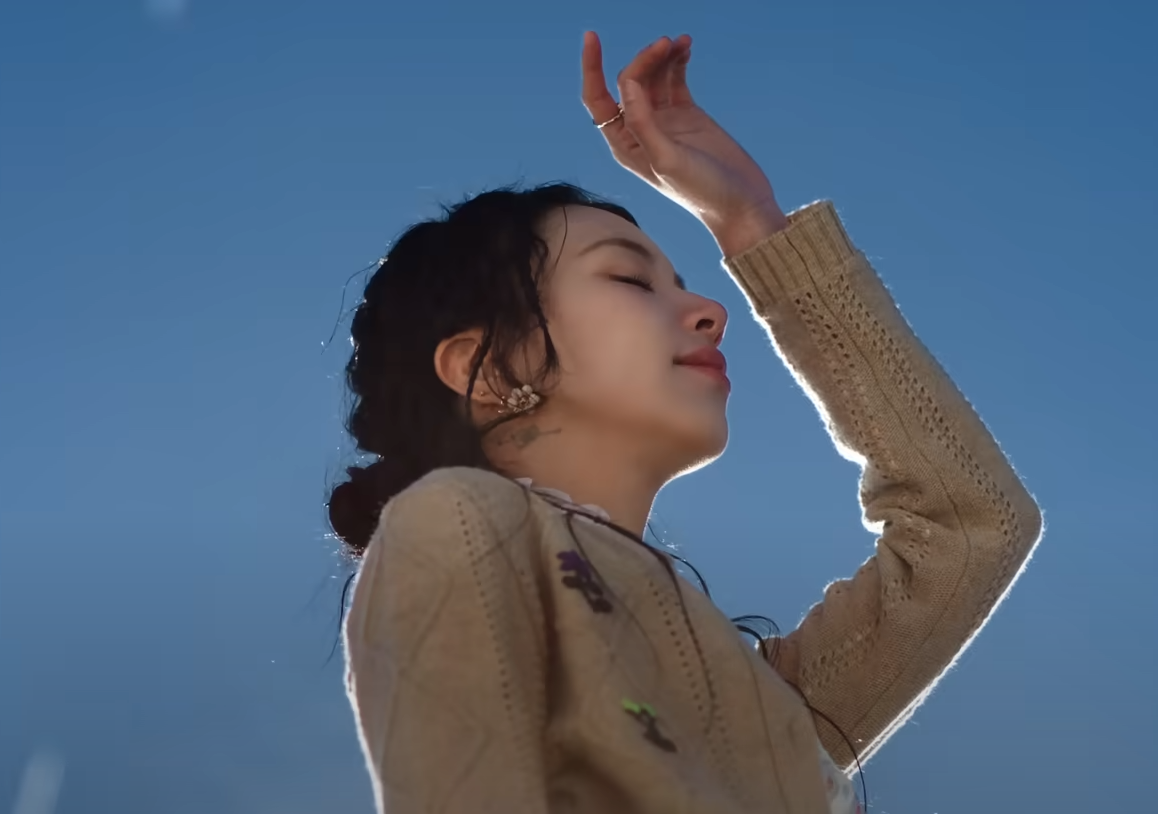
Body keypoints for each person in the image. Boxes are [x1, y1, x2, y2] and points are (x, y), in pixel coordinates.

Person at [329, 30, 1044, 814]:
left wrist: (749, 220)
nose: (710, 311)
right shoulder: (456, 525)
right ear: (488, 369)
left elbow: (972, 526)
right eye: (631, 280)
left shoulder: (756, 699)